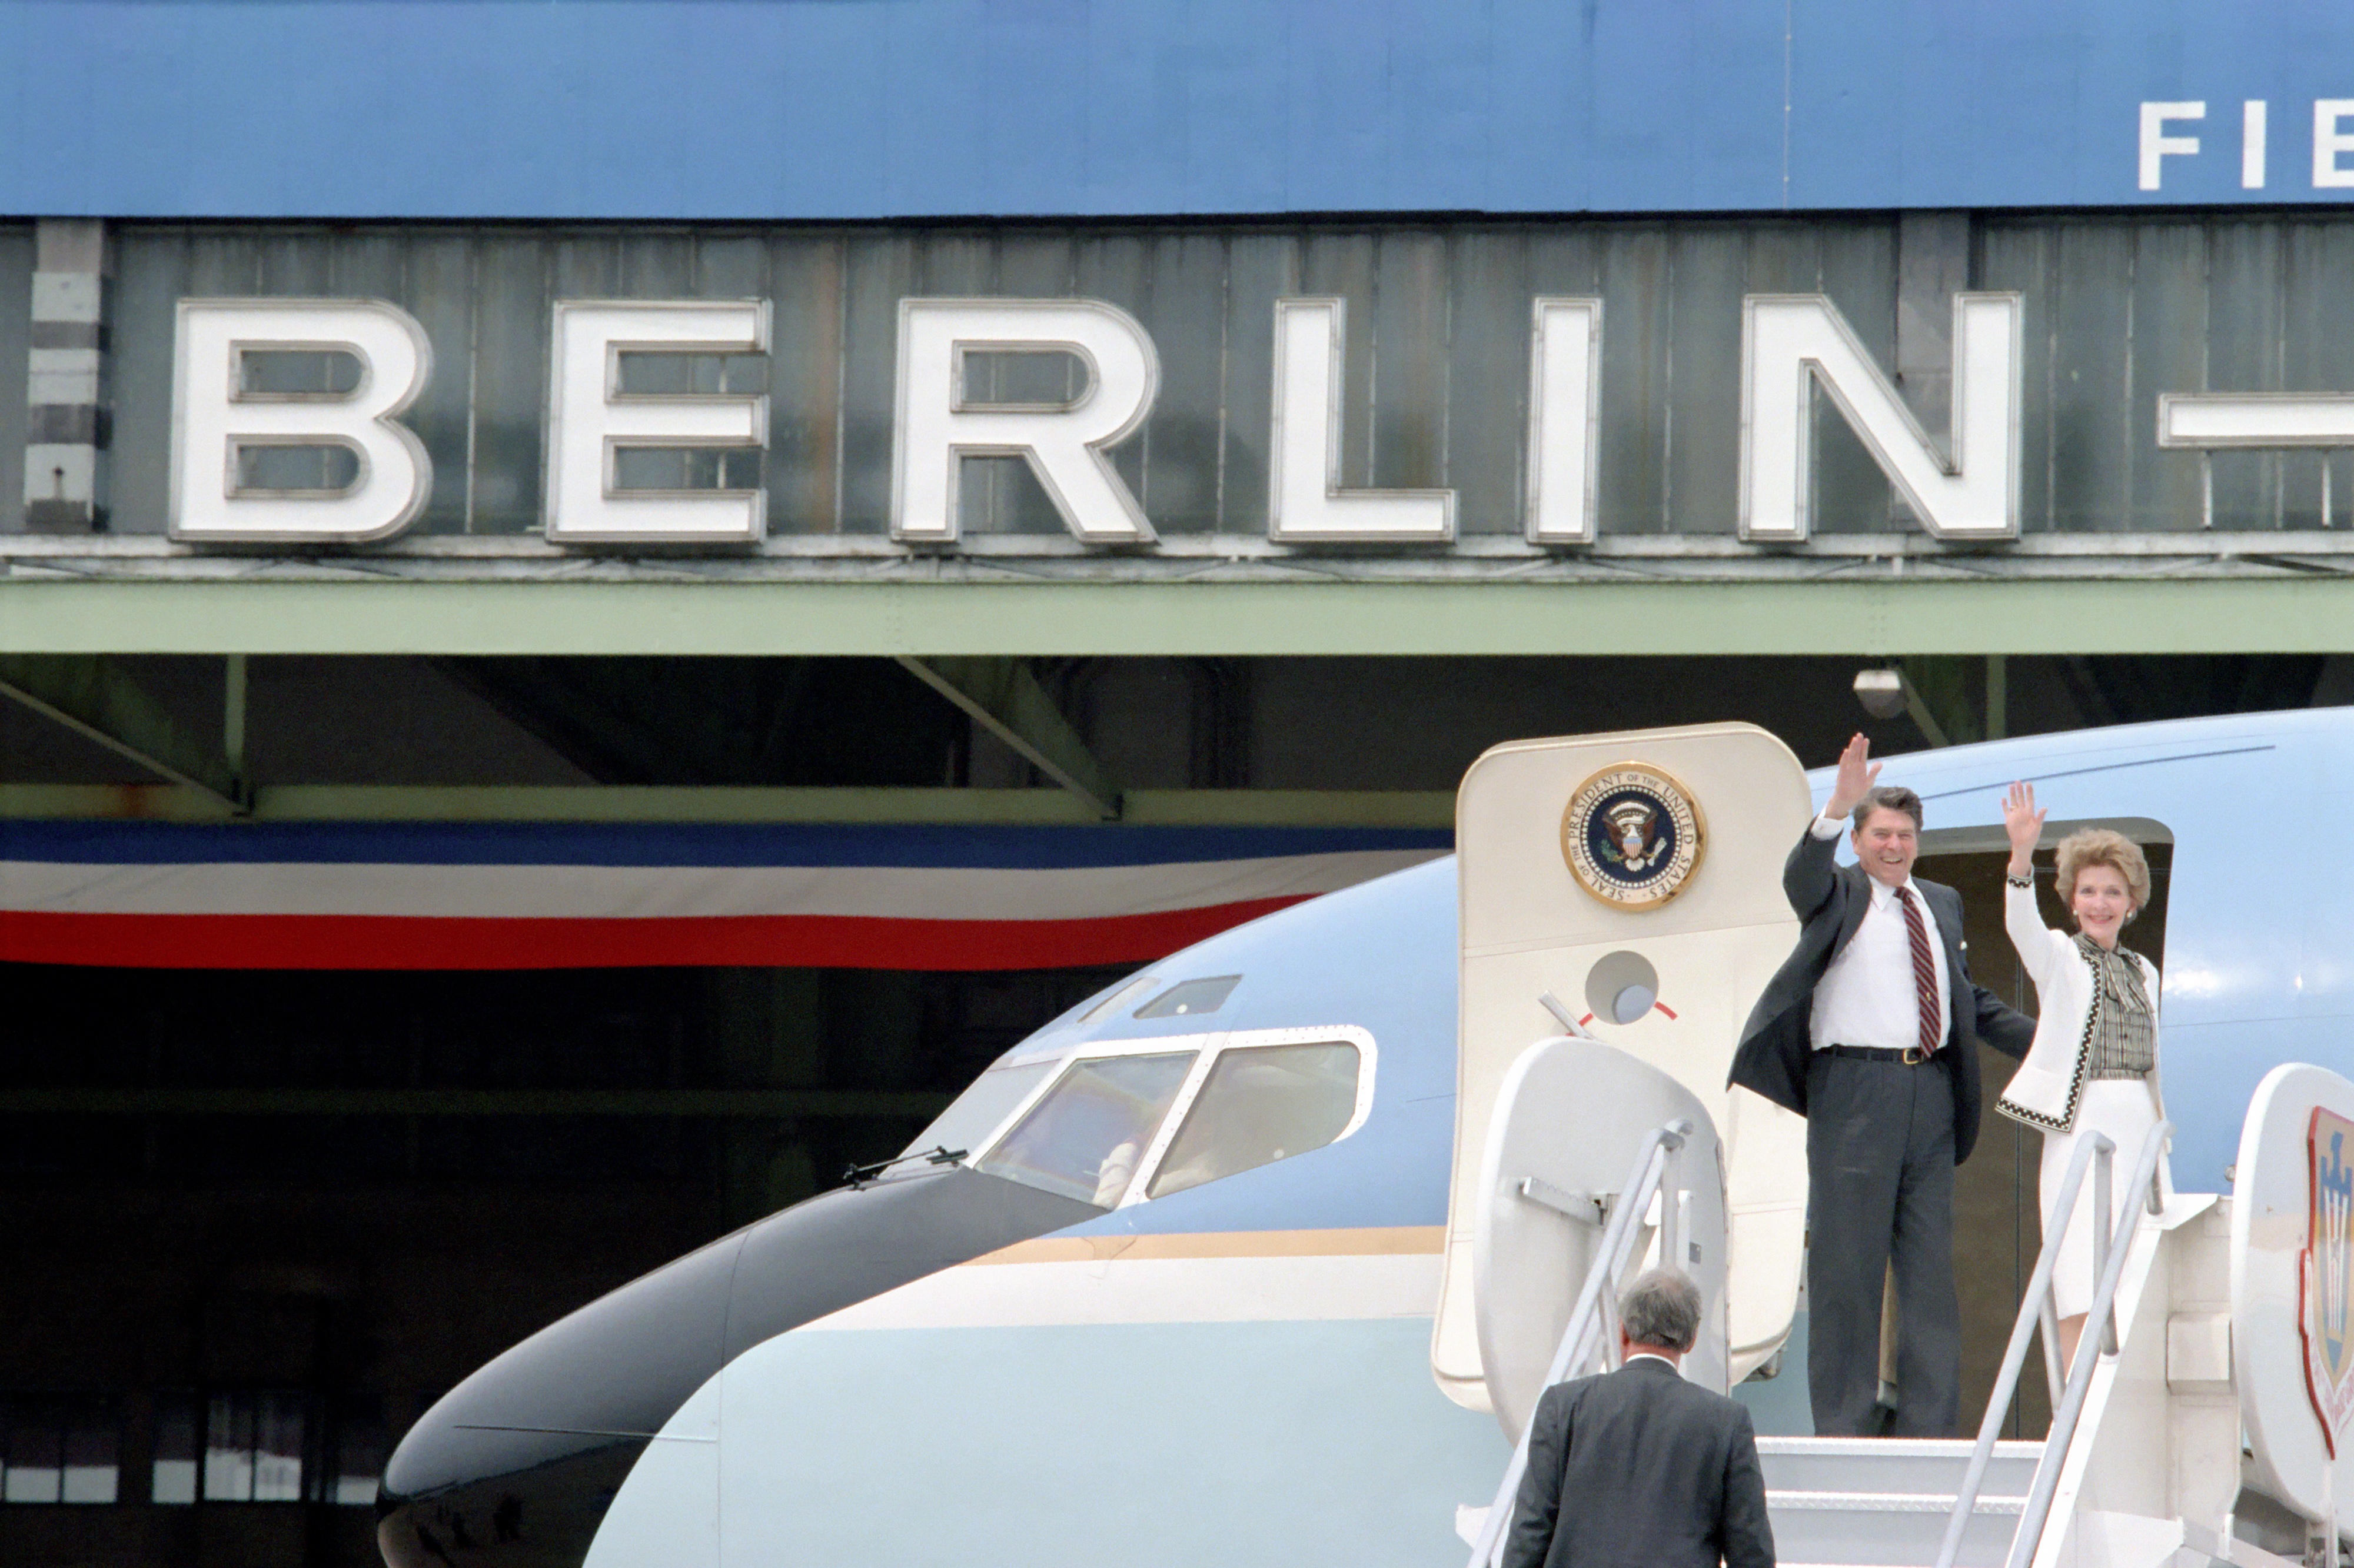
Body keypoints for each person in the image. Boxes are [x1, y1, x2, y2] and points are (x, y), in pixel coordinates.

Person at [1729, 734, 2034, 1437]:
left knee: (1929, 1276)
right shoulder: (1837, 890)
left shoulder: (1941, 901)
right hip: (1854, 1092)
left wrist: (2053, 1041)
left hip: (1928, 1093)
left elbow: (1966, 997)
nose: (1894, 846)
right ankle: (1843, 1424)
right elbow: (1800, 876)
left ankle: (1929, 1430)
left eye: (1904, 834)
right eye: (1880, 834)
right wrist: (1834, 805)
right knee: (1848, 1269)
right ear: (1860, 841)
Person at [1997, 782, 2171, 1367]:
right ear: (2071, 900)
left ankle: (2125, 1407)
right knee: (2078, 1266)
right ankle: (2074, 1410)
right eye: (2089, 891)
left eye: (2113, 892)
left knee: (2141, 1267)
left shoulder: (2144, 969)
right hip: (2081, 1125)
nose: (2100, 902)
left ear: (2132, 901)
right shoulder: (2059, 957)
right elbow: (2021, 924)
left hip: (2141, 1128)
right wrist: (2021, 854)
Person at [1501, 1269, 1774, 1568]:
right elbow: (1751, 1551)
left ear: (1623, 1331)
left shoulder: (1563, 1405)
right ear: (1691, 1339)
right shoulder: (1726, 1421)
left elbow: (1529, 1532)